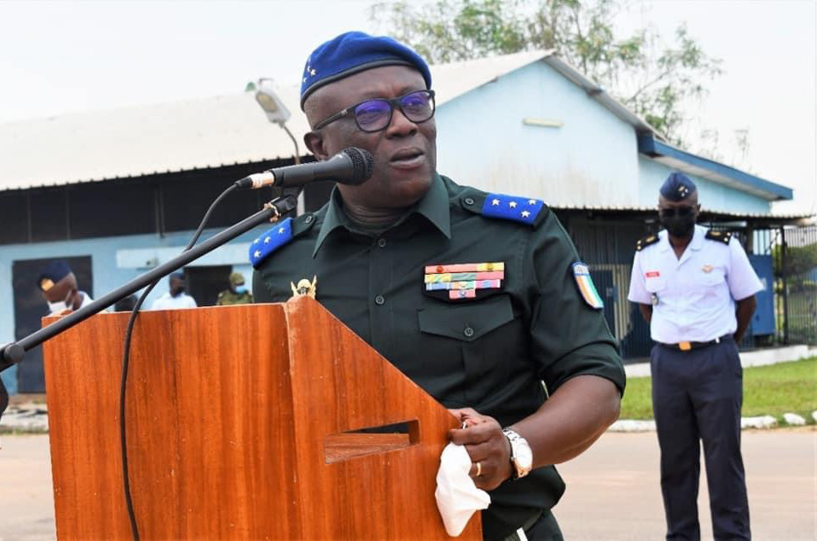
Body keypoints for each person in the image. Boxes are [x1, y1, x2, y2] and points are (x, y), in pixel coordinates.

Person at [251, 31, 626, 540]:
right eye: (371, 114)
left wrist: (512, 447)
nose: (405, 125)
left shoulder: (516, 237)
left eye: (415, 103)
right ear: (319, 146)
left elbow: (596, 382)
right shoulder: (281, 264)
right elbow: (275, 419)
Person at [627, 172, 762, 541]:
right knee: (676, 462)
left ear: (697, 210)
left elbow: (747, 301)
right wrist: (673, 338)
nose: (676, 217)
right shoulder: (646, 251)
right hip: (668, 365)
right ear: (659, 211)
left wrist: (726, 342)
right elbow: (645, 306)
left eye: (684, 210)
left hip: (716, 360)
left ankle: (732, 537)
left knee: (724, 462)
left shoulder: (722, 247)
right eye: (669, 211)